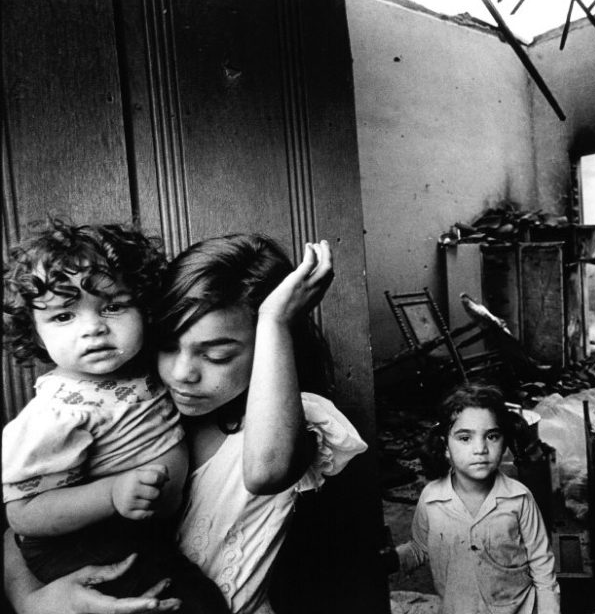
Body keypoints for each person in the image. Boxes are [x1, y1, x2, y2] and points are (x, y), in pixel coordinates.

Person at [5, 232, 368, 614]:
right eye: (167, 345)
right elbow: (20, 525)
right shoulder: (136, 408)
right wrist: (32, 601)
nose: (182, 374)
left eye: (216, 355)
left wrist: (275, 321)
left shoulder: (293, 419)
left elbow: (266, 471)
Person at [1, 219, 227, 612]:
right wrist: (110, 494)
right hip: (83, 542)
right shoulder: (58, 412)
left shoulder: (148, 364)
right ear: (35, 334)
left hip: (144, 532)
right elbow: (22, 515)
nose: (94, 329)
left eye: (113, 306)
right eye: (63, 316)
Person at [395, 384, 560, 614]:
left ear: (504, 444)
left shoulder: (519, 499)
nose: (480, 448)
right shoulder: (431, 499)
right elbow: (420, 548)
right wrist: (391, 559)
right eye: (465, 438)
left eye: (492, 436)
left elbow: (543, 571)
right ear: (445, 446)